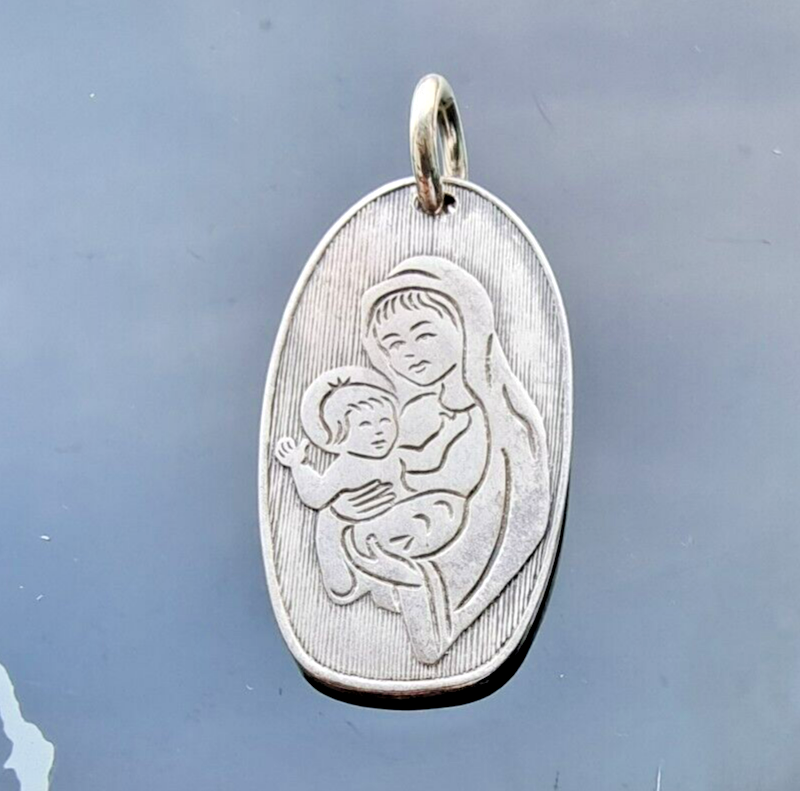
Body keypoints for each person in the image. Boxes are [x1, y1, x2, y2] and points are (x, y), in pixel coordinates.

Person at [275, 371, 469, 612]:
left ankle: (402, 578)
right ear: (340, 436)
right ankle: (380, 584)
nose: (378, 431)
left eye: (385, 421)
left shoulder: (395, 457)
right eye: (365, 425)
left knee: (443, 509)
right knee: (363, 564)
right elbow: (315, 496)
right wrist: (297, 465)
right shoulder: (345, 468)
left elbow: (427, 458)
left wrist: (449, 432)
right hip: (358, 535)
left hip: (394, 524)